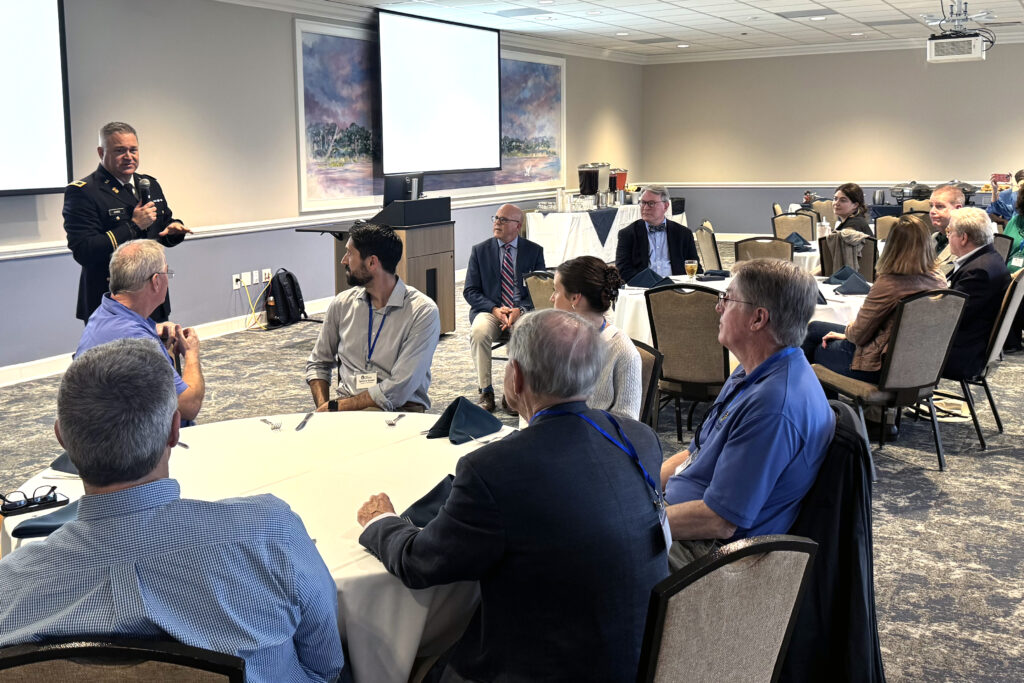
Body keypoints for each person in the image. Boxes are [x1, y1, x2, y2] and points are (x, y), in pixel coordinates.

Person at [0, 339, 345, 683]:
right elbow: (326, 665)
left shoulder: (8, 588)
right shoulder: (271, 534)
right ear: (174, 430)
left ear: (61, 438)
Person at [356, 309, 668, 682]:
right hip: (643, 661)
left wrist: (381, 521)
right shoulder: (640, 439)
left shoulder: (493, 469)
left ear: (515, 376)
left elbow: (420, 563)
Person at [660, 259, 834, 567]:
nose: (718, 307)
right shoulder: (752, 371)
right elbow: (695, 455)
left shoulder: (775, 406)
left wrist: (639, 524)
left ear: (758, 319)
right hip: (682, 520)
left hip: (710, 552)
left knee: (587, 557)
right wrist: (638, 484)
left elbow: (720, 521)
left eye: (727, 299)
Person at [802, 213, 946, 394]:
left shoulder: (890, 284)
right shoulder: (939, 280)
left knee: (817, 348)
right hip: (920, 366)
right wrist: (848, 334)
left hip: (881, 367)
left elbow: (858, 335)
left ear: (892, 246)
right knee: (815, 328)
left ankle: (819, 406)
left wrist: (848, 333)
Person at [64, 122, 191, 324]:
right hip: (111, 298)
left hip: (153, 295)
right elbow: (84, 251)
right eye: (120, 151)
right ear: (101, 152)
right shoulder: (84, 191)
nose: (128, 156)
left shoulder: (149, 184)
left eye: (133, 150)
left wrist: (174, 229)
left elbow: (162, 224)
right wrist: (133, 226)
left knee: (159, 344)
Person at [306, 223, 440, 412]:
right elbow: (318, 363)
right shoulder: (342, 304)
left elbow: (400, 387)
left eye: (349, 253)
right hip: (345, 410)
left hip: (398, 412)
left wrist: (338, 407)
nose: (344, 260)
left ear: (371, 263)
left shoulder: (422, 311)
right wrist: (324, 409)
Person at [75, 240, 204, 424]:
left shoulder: (104, 312)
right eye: (166, 273)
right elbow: (189, 406)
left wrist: (153, 332)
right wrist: (191, 354)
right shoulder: (137, 342)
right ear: (156, 281)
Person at [463, 204, 545, 413]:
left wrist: (521, 310)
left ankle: (513, 392)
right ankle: (486, 391)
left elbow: (539, 291)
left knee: (524, 332)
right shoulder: (480, 251)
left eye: (503, 219)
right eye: (496, 218)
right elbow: (470, 291)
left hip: (521, 312)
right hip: (490, 310)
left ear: (518, 225)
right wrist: (494, 309)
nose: (497, 223)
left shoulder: (534, 251)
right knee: (479, 332)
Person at [550, 255, 642, 419]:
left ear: (575, 298)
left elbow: (627, 425)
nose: (551, 298)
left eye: (556, 291)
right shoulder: (555, 339)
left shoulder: (622, 351)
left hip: (595, 434)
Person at [942, 207, 1011, 379]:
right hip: (971, 344)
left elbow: (950, 318)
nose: (947, 236)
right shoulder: (990, 258)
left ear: (963, 238)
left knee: (890, 348)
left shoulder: (978, 271)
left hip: (960, 354)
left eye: (949, 231)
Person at [615, 184, 700, 283]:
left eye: (651, 203)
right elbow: (623, 270)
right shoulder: (628, 234)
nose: (645, 207)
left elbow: (695, 268)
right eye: (643, 203)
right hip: (644, 287)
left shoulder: (684, 234)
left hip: (676, 286)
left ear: (666, 206)